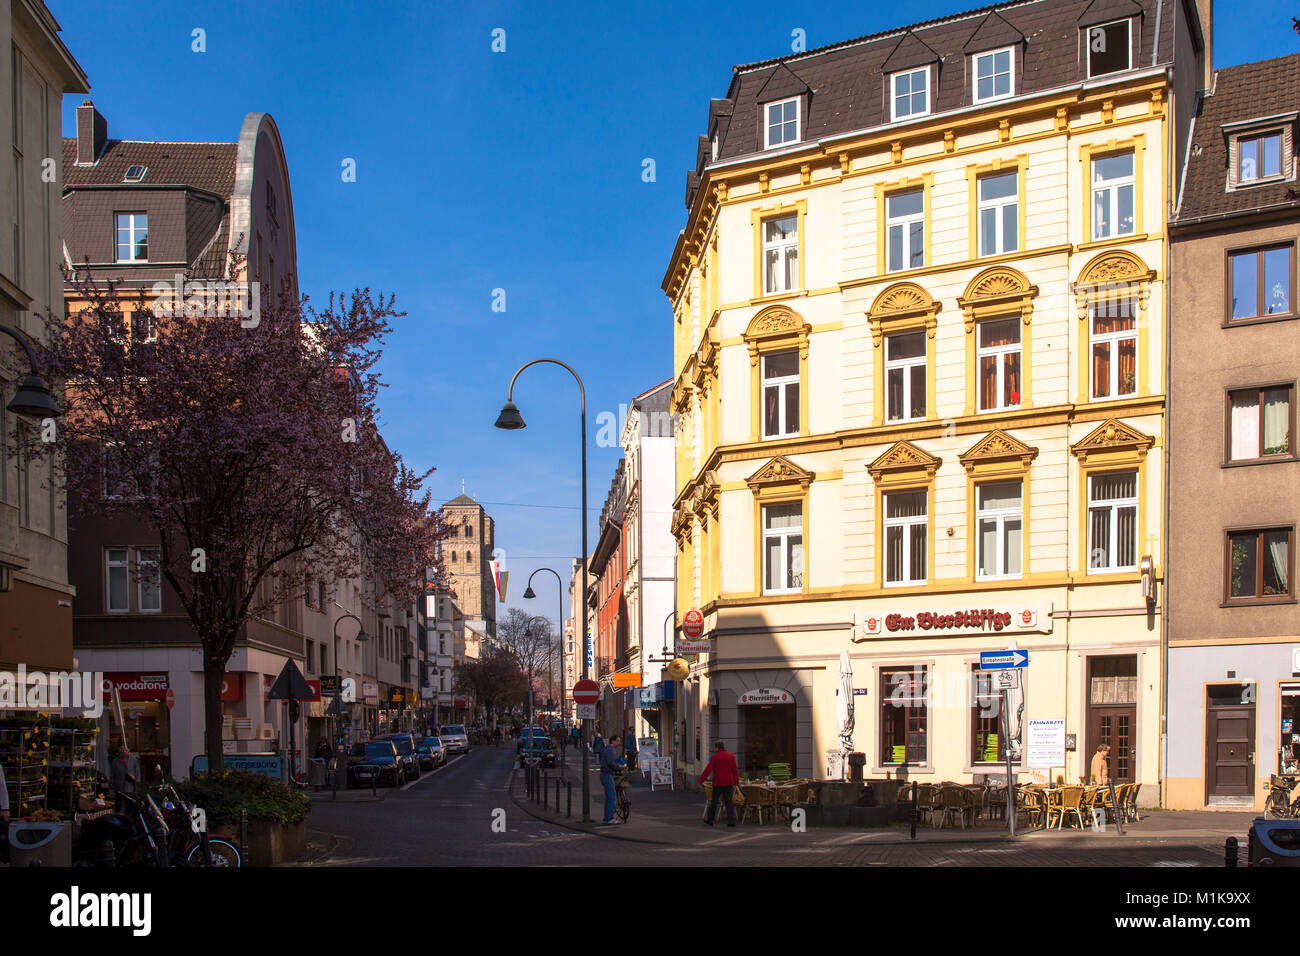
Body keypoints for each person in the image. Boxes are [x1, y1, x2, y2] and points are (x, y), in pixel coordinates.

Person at [698, 739, 740, 827]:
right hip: (729, 782)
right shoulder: (730, 756)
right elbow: (735, 770)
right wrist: (736, 782)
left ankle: (710, 820)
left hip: (718, 782)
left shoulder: (715, 757)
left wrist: (701, 780)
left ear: (717, 747)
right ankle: (731, 821)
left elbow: (708, 770)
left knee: (714, 802)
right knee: (728, 802)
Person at [598, 734, 625, 824]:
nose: (619, 743)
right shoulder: (610, 750)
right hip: (607, 774)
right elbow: (610, 763)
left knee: (608, 797)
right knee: (612, 797)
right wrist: (619, 768)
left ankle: (607, 817)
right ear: (612, 741)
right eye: (617, 741)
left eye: (620, 741)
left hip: (604, 774)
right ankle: (609, 818)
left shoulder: (607, 749)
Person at [109, 744, 140, 812]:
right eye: (121, 752)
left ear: (128, 752)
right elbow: (112, 772)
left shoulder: (133, 760)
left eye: (124, 751)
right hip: (119, 786)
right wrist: (111, 782)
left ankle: (129, 815)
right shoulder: (115, 761)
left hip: (130, 786)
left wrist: (137, 781)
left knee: (129, 804)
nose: (123, 752)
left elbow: (137, 771)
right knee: (118, 804)